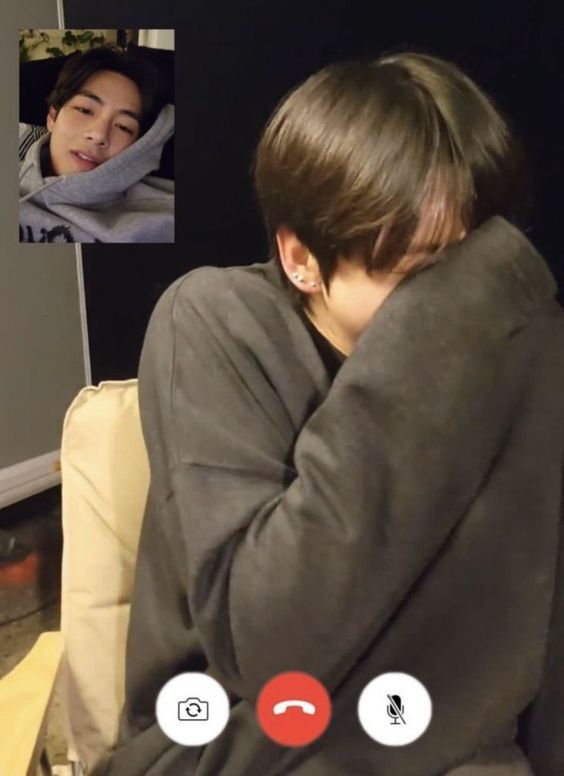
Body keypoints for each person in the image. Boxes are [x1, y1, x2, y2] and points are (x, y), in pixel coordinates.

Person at [101, 51, 564, 775]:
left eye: (475, 266)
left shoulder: (509, 351)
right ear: (301, 259)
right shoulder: (217, 321)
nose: (464, 303)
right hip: (240, 735)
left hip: (445, 737)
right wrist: (437, 335)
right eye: (425, 276)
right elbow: (271, 646)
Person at [19, 46, 174, 243]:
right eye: (85, 110)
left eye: (124, 127)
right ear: (52, 117)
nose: (99, 135)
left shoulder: (164, 217)